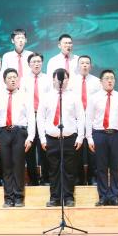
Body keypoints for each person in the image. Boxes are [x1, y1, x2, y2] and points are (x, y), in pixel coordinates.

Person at [0, 68, 35, 207]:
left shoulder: (25, 96)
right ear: (4, 80)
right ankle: (8, 198)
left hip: (19, 133)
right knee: (6, 166)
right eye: (10, 78)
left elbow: (31, 118)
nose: (13, 80)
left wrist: (30, 137)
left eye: (15, 77)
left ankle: (19, 197)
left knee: (18, 166)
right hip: (3, 133)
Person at [37, 69, 85, 207]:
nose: (61, 81)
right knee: (53, 170)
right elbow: (40, 118)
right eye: (59, 79)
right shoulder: (46, 97)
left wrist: (80, 137)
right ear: (53, 80)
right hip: (51, 139)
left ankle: (69, 197)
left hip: (69, 138)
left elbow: (81, 117)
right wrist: (42, 138)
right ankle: (55, 197)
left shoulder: (74, 97)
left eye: (64, 78)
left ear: (68, 80)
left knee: (69, 170)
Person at [86, 69, 118, 207]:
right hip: (99, 134)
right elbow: (89, 118)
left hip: (116, 134)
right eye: (106, 78)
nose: (110, 80)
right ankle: (103, 196)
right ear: (101, 81)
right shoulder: (94, 98)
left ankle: (115, 196)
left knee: (115, 167)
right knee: (101, 167)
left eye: (112, 78)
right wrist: (89, 138)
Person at [22, 53, 51, 186]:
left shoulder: (48, 79)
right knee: (29, 149)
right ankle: (33, 179)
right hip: (29, 116)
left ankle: (46, 178)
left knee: (44, 148)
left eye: (39, 61)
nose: (36, 64)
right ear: (29, 64)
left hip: (44, 117)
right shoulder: (23, 80)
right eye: (33, 62)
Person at [70, 55, 100, 183]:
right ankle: (79, 178)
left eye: (87, 63)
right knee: (77, 148)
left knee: (92, 149)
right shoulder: (71, 81)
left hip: (92, 119)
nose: (85, 65)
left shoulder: (97, 81)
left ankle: (93, 177)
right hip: (76, 119)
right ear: (78, 65)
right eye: (82, 63)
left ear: (91, 66)